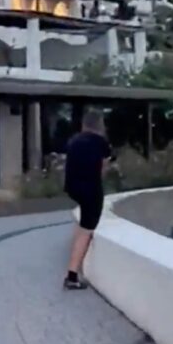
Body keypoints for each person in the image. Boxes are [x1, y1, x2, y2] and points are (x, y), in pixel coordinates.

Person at [63, 108, 112, 290]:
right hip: (91, 190)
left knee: (82, 226)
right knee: (86, 231)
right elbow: (102, 170)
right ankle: (72, 276)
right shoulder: (101, 143)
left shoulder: (74, 141)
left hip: (73, 187)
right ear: (100, 125)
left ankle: (73, 270)